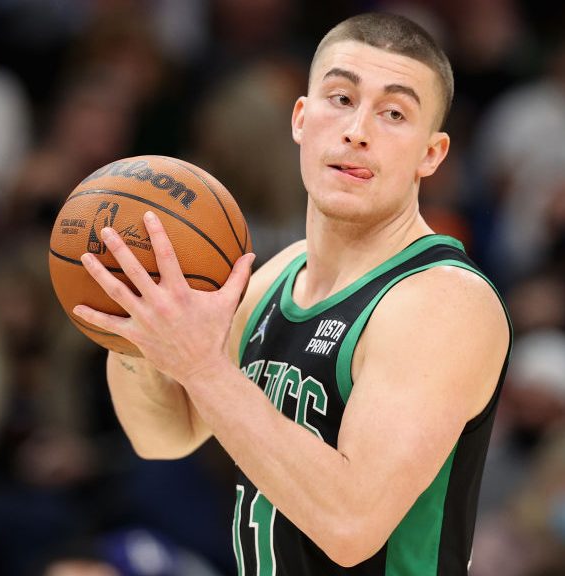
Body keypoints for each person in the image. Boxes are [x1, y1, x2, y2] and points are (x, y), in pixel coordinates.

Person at [72, 12, 511, 575]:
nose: (358, 130)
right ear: (301, 118)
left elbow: (351, 525)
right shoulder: (274, 277)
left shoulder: (442, 301)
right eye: (341, 99)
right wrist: (135, 326)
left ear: (432, 154)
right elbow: (164, 435)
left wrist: (203, 367)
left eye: (394, 113)